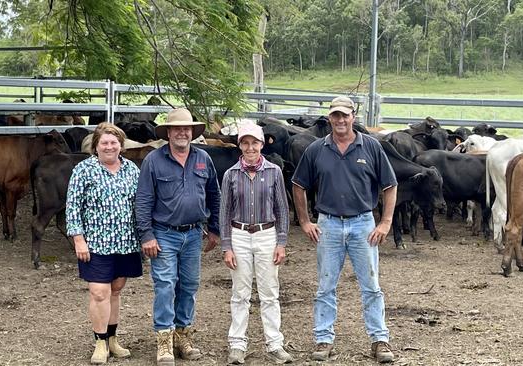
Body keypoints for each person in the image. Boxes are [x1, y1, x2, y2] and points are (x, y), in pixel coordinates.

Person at [291, 96, 398, 363]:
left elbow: (390, 185)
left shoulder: (371, 147)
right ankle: (323, 339)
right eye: (335, 116)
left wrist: (385, 222)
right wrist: (305, 220)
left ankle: (379, 339)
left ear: (353, 116)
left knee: (371, 285)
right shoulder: (316, 149)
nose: (340, 120)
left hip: (363, 223)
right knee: (326, 285)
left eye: (345, 115)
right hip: (328, 223)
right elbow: (298, 184)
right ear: (329, 118)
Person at [135, 108, 221, 366]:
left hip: (194, 233)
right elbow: (143, 200)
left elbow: (214, 195)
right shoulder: (153, 160)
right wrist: (146, 234)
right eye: (177, 129)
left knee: (190, 285)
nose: (183, 132)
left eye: (187, 129)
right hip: (163, 234)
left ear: (193, 133)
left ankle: (183, 336)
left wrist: (215, 228)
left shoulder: (203, 158)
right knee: (164, 285)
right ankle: (164, 339)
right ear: (168, 133)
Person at [65, 122, 142, 364]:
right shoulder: (83, 170)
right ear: (95, 146)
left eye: (114, 142)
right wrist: (78, 238)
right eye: (104, 143)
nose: (109, 146)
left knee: (116, 290)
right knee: (99, 292)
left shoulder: (132, 170)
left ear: (121, 145)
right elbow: (73, 206)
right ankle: (99, 342)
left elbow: (141, 204)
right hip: (95, 243)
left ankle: (112, 339)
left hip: (126, 241)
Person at [219, 124, 293, 365]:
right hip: (239, 233)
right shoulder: (231, 174)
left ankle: (275, 343)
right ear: (239, 146)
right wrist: (226, 246)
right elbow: (224, 212)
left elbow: (282, 208)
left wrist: (281, 242)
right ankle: (237, 344)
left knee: (269, 292)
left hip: (266, 233)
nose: (250, 148)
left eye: (254, 143)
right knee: (240, 292)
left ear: (262, 144)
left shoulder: (274, 172)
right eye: (245, 143)